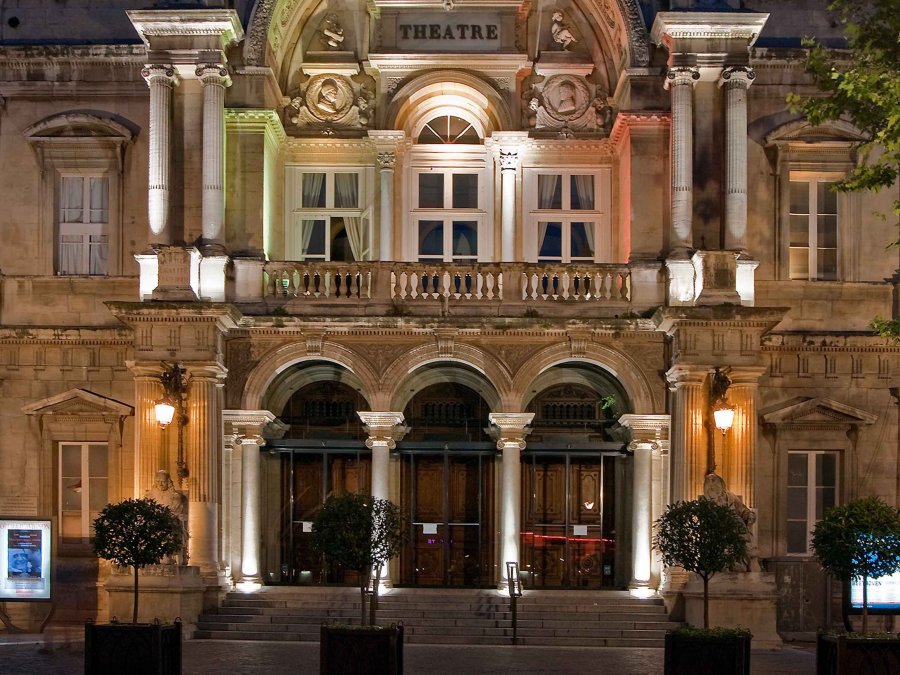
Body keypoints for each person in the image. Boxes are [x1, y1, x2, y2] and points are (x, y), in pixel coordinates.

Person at [148, 469, 189, 564]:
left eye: (163, 481)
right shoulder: (149, 495)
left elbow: (174, 512)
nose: (160, 484)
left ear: (168, 482)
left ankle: (166, 558)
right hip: (154, 525)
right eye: (158, 481)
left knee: (167, 531)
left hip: (170, 525)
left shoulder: (175, 496)